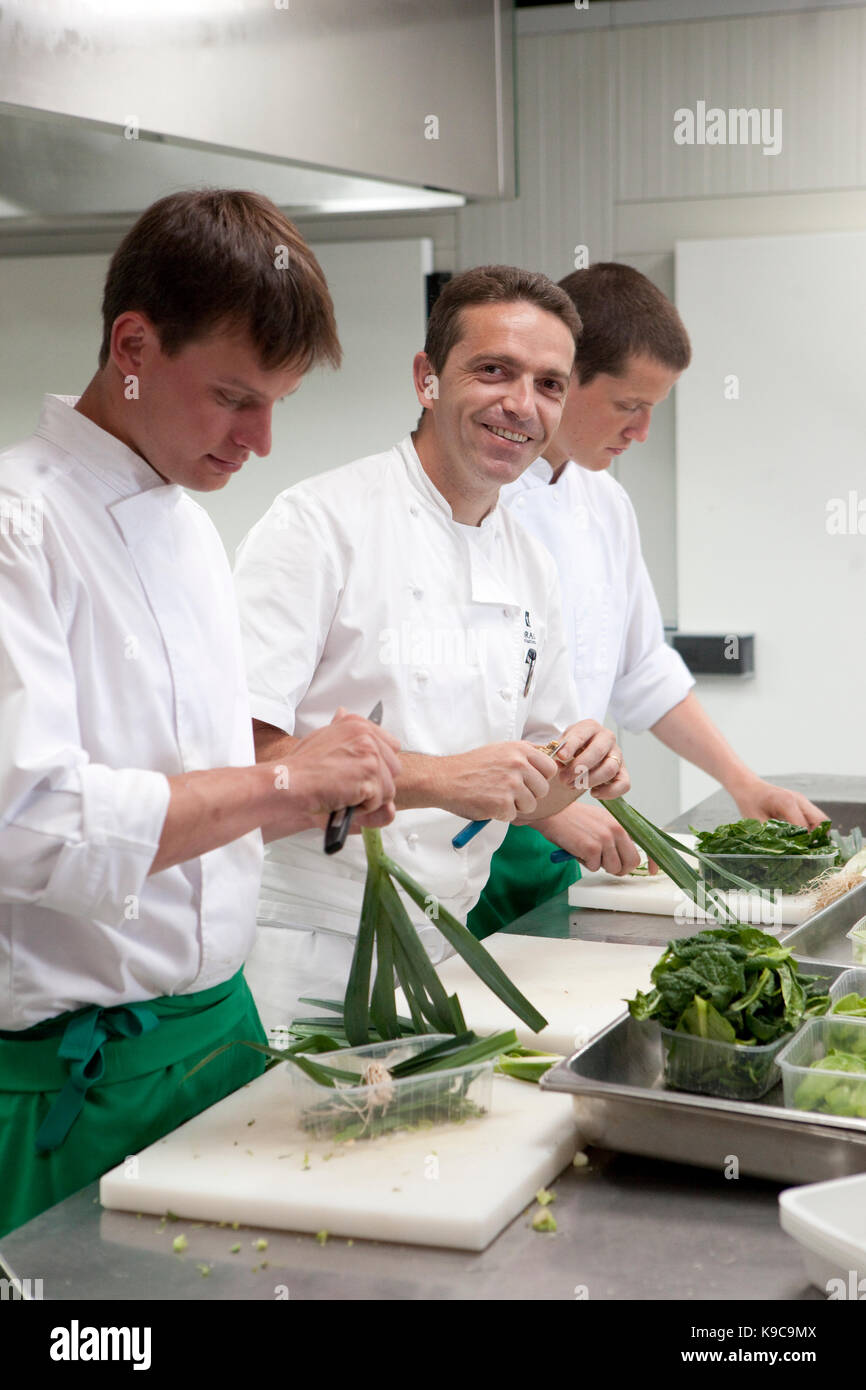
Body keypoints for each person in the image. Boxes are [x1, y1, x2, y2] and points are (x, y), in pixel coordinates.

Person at [0, 188, 400, 1238]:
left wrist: (309, 785)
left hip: (219, 1039)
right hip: (82, 1077)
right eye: (234, 397)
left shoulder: (182, 523)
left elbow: (186, 776)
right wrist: (281, 781)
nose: (260, 440)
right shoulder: (19, 528)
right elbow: (31, 823)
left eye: (276, 403)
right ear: (132, 344)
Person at [233, 265, 630, 1031]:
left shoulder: (527, 560)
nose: (522, 405)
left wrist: (581, 770)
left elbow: (537, 783)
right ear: (427, 378)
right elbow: (241, 760)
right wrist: (442, 778)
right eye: (493, 371)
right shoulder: (318, 524)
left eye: (549, 384)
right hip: (310, 950)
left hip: (450, 946)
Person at [467, 261, 826, 939]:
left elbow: (643, 671)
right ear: (562, 378)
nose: (641, 432)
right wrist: (542, 810)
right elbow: (441, 707)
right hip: (471, 834)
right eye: (629, 406)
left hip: (570, 823)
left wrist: (744, 785)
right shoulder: (478, 507)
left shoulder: (605, 502)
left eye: (653, 409)